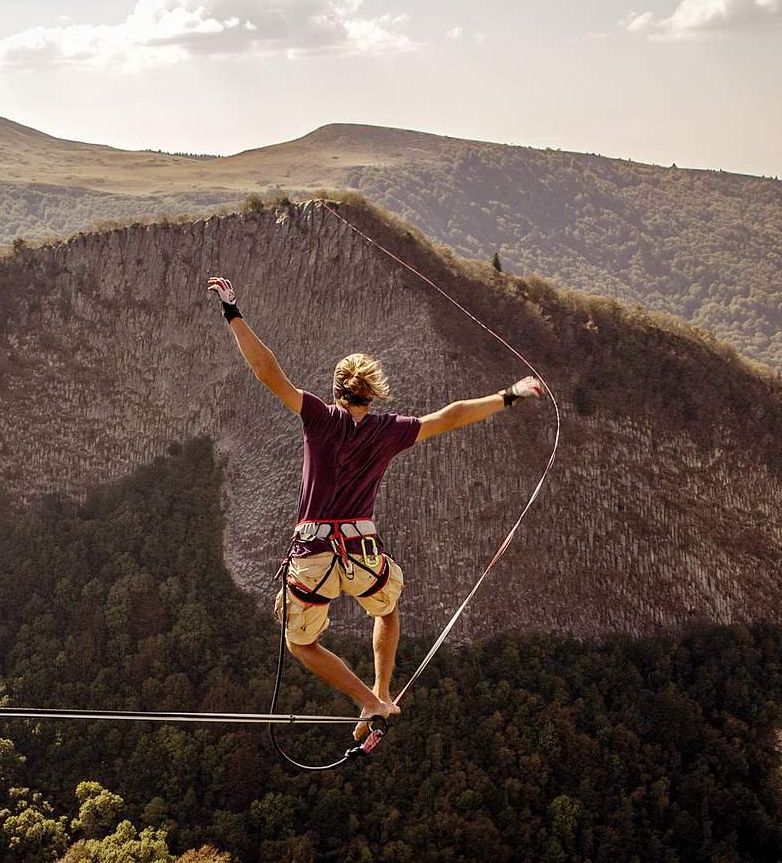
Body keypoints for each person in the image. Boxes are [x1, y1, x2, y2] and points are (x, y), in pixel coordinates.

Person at [207, 275, 543, 738]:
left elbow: (269, 373)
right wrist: (509, 395)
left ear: (337, 389)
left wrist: (232, 311)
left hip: (314, 553)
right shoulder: (389, 430)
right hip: (362, 551)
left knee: (301, 643)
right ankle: (382, 694)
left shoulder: (319, 418)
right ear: (373, 393)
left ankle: (368, 702)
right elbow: (451, 415)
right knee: (385, 610)